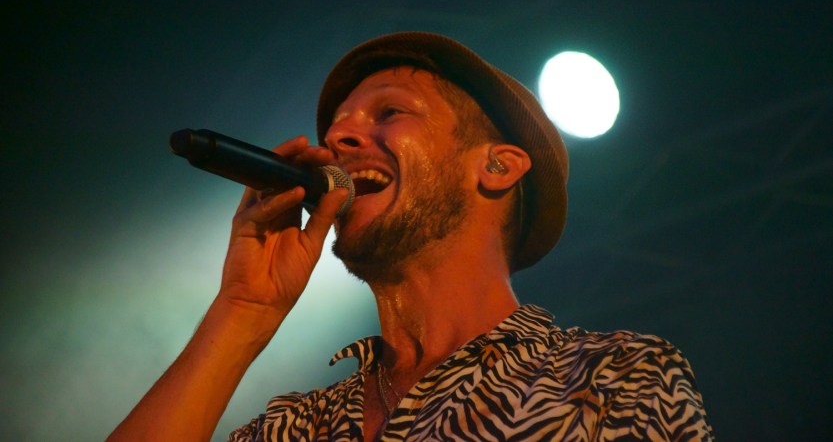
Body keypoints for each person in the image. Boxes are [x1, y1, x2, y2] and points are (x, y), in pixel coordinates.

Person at [108, 32, 713, 441]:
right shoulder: (294, 427)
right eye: (337, 127)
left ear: (496, 166)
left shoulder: (610, 377)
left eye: (389, 112)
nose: (337, 140)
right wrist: (244, 310)